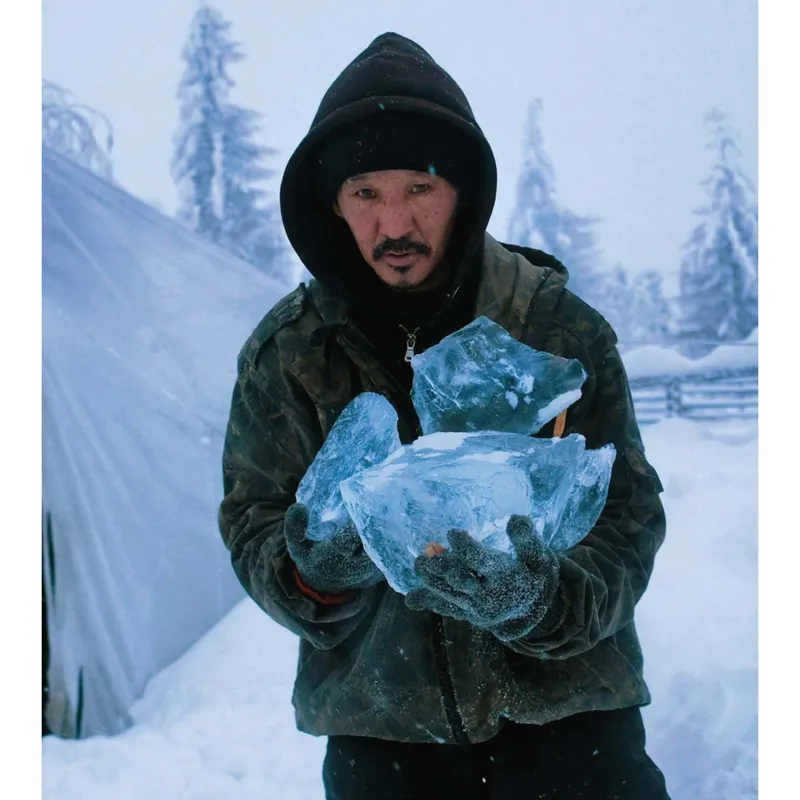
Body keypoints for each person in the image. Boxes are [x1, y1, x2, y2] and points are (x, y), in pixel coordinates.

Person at [219, 32, 671, 800]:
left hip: (570, 724)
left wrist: (544, 602)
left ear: (462, 193)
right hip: (382, 731)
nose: (393, 225)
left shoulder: (556, 329)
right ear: (332, 204)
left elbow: (627, 515)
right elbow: (252, 520)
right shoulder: (290, 353)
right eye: (365, 193)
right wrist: (315, 574)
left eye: (419, 190)